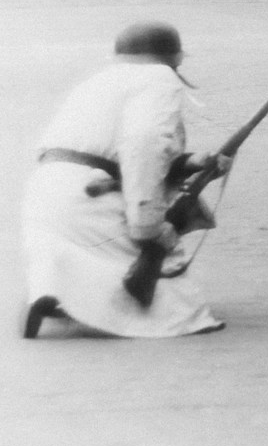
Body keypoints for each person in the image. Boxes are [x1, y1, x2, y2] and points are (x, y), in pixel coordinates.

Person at [21, 22, 231, 338]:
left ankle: (61, 293)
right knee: (172, 294)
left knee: (80, 253)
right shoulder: (159, 78)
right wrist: (148, 226)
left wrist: (191, 163)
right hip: (86, 201)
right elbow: (143, 147)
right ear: (175, 58)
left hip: (48, 195)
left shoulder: (98, 81)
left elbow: (112, 151)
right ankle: (100, 304)